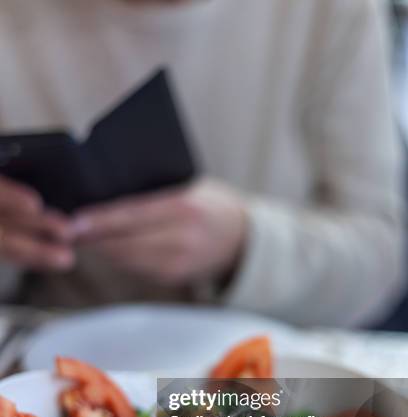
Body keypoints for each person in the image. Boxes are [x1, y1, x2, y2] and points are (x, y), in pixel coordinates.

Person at [0, 0, 404, 327]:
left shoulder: (333, 12)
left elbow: (383, 255)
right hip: (53, 368)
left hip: (272, 379)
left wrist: (245, 242)